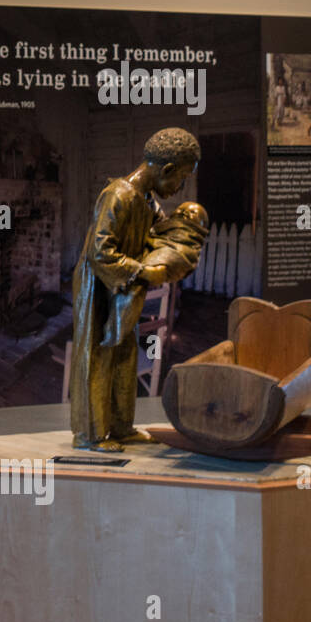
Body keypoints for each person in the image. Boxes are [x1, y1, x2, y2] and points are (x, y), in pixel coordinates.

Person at [69, 128, 200, 452]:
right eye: (180, 180)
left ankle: (121, 427)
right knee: (96, 357)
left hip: (122, 289)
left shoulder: (145, 201)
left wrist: (183, 239)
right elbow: (100, 252)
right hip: (98, 287)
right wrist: (143, 272)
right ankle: (91, 435)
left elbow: (160, 234)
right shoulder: (119, 194)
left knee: (125, 355)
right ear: (166, 170)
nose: (179, 188)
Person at [102, 200, 208, 347]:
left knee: (111, 299)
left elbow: (148, 271)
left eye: (190, 213)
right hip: (157, 294)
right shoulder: (162, 230)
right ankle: (152, 356)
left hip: (151, 298)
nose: (182, 212)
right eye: (181, 209)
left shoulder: (183, 247)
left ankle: (149, 356)